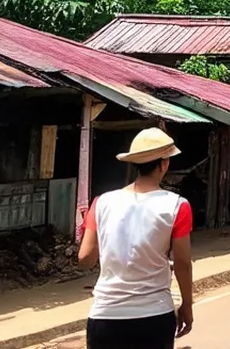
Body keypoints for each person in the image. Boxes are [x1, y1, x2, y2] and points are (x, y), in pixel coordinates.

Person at [78, 128, 193, 349]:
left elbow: (85, 258)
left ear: (134, 165)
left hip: (105, 315)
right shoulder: (177, 205)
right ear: (163, 164)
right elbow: (182, 264)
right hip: (154, 315)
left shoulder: (101, 202)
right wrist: (187, 305)